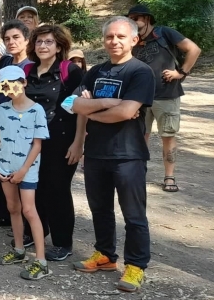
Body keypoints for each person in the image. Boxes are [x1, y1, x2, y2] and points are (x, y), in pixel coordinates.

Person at [69, 17, 155, 293]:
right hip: (96, 154)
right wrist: (104, 104)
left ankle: (136, 266)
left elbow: (127, 112)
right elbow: (71, 104)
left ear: (134, 40)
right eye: (109, 37)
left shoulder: (140, 72)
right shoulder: (96, 71)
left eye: (120, 36)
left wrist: (90, 107)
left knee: (134, 215)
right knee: (100, 209)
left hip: (128, 155)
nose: (114, 41)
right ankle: (105, 255)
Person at [22, 25, 86, 262]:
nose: (43, 46)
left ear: (59, 46)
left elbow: (81, 109)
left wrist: (78, 142)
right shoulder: (27, 70)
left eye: (48, 42)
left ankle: (62, 243)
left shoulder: (70, 71)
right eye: (39, 42)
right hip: (30, 140)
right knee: (32, 188)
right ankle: (35, 231)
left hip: (61, 139)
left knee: (57, 190)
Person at [128, 5, 202, 193]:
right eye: (130, 18)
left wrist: (181, 72)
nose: (133, 22)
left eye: (136, 18)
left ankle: (169, 177)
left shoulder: (164, 33)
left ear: (146, 19)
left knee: (167, 136)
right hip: (140, 97)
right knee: (139, 135)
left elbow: (194, 49)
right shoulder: (132, 40)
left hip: (167, 95)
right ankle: (139, 174)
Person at [0, 66, 51, 280]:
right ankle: (18, 250)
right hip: (4, 167)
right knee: (12, 207)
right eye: (4, 86)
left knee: (29, 210)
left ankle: (41, 261)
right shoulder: (1, 109)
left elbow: (38, 145)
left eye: (13, 83)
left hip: (26, 171)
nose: (10, 89)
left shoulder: (37, 111)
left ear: (24, 82)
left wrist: (24, 170)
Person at [0, 19, 32, 228]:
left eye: (16, 37)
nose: (11, 42)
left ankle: (24, 220)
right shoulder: (5, 62)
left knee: (19, 171)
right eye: (7, 39)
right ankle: (5, 214)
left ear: (26, 39)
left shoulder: (31, 66)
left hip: (20, 127)